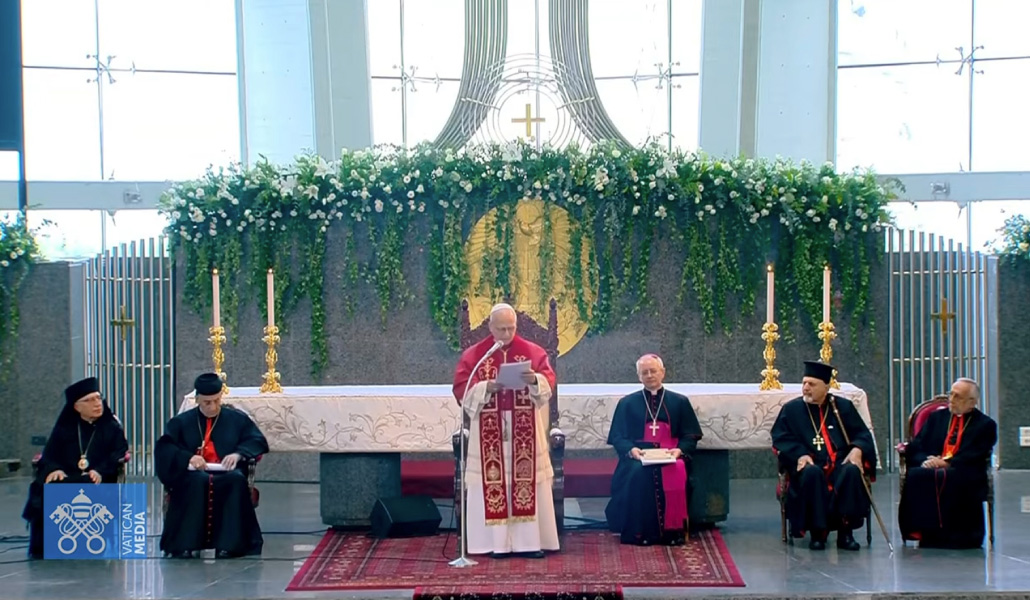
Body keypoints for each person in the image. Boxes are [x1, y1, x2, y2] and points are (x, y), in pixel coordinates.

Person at [451, 303, 559, 558]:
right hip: (489, 428)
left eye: (511, 328)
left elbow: (548, 380)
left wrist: (534, 379)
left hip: (525, 429)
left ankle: (529, 543)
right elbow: (460, 387)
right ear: (490, 327)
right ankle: (495, 544)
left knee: (527, 481)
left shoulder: (533, 351)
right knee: (492, 481)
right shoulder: (475, 355)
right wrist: (486, 387)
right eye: (501, 329)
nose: (507, 334)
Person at [155, 373, 269, 558]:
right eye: (207, 402)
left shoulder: (236, 419)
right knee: (196, 481)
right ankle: (185, 544)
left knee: (235, 480)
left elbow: (257, 441)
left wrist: (238, 454)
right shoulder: (181, 422)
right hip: (193, 474)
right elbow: (165, 448)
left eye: (216, 401)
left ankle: (231, 545)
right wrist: (188, 457)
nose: (213, 407)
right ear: (197, 400)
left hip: (226, 473)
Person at [771, 361, 876, 551]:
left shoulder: (842, 407)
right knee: (812, 473)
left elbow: (863, 434)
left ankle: (846, 533)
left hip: (840, 463)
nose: (806, 388)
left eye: (812, 384)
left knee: (851, 471)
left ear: (826, 387)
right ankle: (817, 533)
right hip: (810, 463)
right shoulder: (792, 410)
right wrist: (800, 454)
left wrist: (857, 449)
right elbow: (780, 438)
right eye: (804, 383)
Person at [21, 377, 129, 559]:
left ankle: (91, 543)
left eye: (98, 398)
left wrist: (100, 471)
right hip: (67, 476)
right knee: (47, 487)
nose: (97, 404)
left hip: (98, 478)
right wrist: (53, 469)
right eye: (90, 400)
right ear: (77, 407)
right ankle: (47, 546)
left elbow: (118, 453)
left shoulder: (111, 428)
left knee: (90, 484)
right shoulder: (65, 428)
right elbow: (49, 455)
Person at [605, 354, 702, 545]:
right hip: (639, 455)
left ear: (662, 373)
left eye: (653, 371)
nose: (649, 375)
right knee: (638, 473)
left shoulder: (679, 402)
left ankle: (673, 532)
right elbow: (618, 436)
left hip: (670, 453)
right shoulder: (627, 403)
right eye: (645, 372)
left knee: (676, 469)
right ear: (639, 376)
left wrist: (679, 451)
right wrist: (631, 449)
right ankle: (640, 533)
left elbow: (690, 435)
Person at [899, 378, 997, 549]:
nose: (951, 399)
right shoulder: (936, 418)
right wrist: (927, 460)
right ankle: (925, 533)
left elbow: (977, 453)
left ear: (972, 402)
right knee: (917, 475)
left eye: (957, 396)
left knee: (954, 477)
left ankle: (958, 537)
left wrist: (947, 462)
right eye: (951, 394)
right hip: (931, 465)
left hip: (963, 470)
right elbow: (917, 445)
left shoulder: (985, 425)